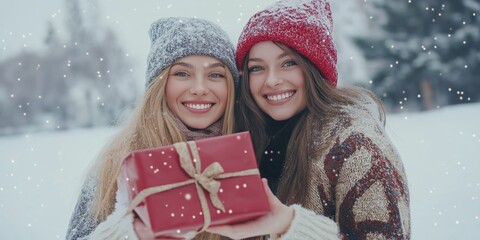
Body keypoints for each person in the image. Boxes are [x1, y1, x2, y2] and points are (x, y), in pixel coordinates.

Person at [208, 0, 410, 239]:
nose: (271, 80)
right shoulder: (250, 139)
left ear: (315, 68)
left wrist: (290, 225)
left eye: (288, 63)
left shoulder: (356, 147)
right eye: (257, 68)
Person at [65, 17, 239, 240]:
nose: (199, 88)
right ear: (159, 85)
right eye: (182, 74)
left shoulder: (252, 155)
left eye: (215, 75)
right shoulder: (117, 164)